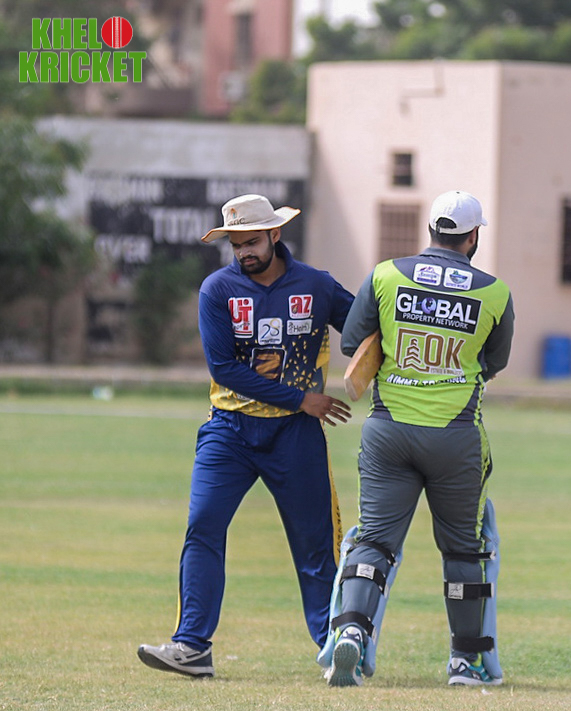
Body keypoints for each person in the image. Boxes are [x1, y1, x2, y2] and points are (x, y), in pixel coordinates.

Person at [137, 194, 354, 678]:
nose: (244, 253)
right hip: (229, 431)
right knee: (203, 527)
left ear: (276, 234)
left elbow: (363, 328)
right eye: (236, 244)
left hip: (295, 435)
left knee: (316, 544)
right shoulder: (217, 289)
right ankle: (192, 647)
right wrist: (302, 399)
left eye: (252, 242)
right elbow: (224, 369)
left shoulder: (317, 285)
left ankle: (337, 647)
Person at [320, 190, 514, 688]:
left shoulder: (385, 275)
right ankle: (465, 662)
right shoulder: (495, 293)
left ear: (430, 229)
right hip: (456, 436)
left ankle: (353, 633)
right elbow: (494, 363)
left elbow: (353, 343)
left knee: (374, 541)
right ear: (473, 236)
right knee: (463, 551)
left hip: (388, 430)